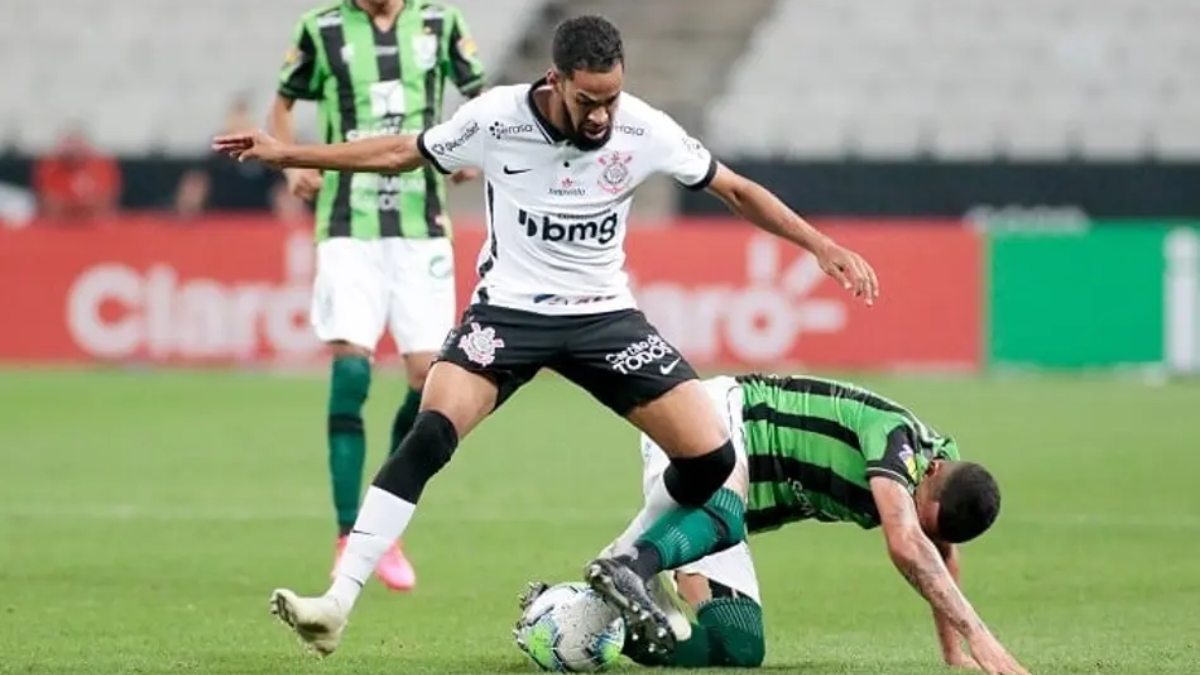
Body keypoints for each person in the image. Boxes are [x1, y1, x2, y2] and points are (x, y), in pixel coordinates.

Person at [212, 14, 879, 658]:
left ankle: (630, 563)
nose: (601, 116)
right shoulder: (496, 117)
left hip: (604, 317)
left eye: (611, 99)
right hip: (509, 313)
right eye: (588, 100)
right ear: (556, 79)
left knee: (710, 460)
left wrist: (818, 244)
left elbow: (733, 189)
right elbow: (399, 152)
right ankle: (337, 601)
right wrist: (291, 152)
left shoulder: (642, 127)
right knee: (429, 431)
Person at [533, 374, 1026, 675]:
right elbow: (904, 542)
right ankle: (630, 565)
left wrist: (953, 651)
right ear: (933, 471)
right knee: (723, 514)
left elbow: (935, 550)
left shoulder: (944, 477)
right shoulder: (896, 438)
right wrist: (979, 633)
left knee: (739, 648)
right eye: (919, 511)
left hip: (727, 510)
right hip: (719, 424)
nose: (911, 517)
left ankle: (574, 613)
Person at [268, 0, 486, 591]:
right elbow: (283, 103)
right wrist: (292, 168)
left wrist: (468, 153)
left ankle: (380, 528)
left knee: (426, 381)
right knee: (352, 369)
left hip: (421, 230)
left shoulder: (441, 23)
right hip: (347, 225)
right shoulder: (322, 28)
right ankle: (348, 535)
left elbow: (480, 97)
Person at [33, 126, 121, 223]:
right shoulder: (51, 168)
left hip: (94, 225)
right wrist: (79, 207)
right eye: (71, 148)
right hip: (61, 226)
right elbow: (50, 206)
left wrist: (75, 207)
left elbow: (105, 204)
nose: (75, 153)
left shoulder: (101, 166)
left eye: (78, 147)